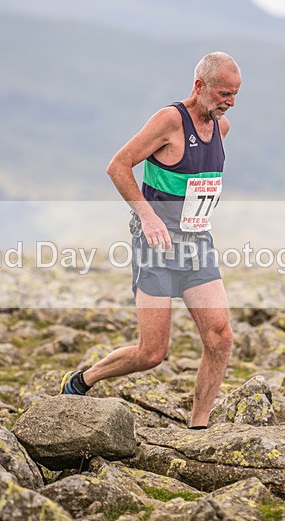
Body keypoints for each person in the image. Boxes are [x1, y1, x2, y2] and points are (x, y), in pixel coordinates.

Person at [61, 52, 241, 429]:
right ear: (199, 86)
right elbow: (118, 165)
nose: (230, 102)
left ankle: (198, 427)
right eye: (224, 93)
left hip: (196, 244)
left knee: (220, 336)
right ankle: (83, 380)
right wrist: (148, 216)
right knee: (152, 352)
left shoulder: (221, 129)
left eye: (236, 95)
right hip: (155, 246)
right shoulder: (170, 120)